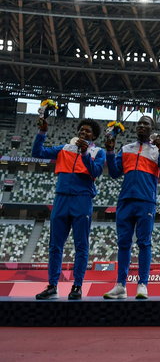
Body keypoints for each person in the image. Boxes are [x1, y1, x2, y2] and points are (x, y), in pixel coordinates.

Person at [33, 118, 105, 300]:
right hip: (61, 198)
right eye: (81, 130)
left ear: (94, 136)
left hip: (82, 199)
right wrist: (42, 133)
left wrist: (85, 153)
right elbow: (37, 152)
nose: (83, 132)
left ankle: (77, 286)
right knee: (55, 245)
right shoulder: (64, 148)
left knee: (81, 245)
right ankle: (52, 285)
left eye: (88, 131)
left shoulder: (98, 151)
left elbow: (95, 172)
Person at [102, 115, 160, 299]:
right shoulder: (125, 149)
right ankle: (120, 285)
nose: (141, 126)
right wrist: (110, 152)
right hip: (125, 200)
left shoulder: (157, 151)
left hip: (146, 201)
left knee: (144, 243)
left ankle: (142, 284)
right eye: (139, 123)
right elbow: (115, 173)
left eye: (146, 124)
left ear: (153, 128)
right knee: (123, 243)